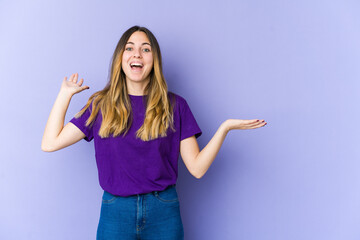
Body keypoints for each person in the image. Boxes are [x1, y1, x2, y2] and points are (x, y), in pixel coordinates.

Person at [41, 25, 267, 240]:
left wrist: (224, 128)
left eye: (145, 49)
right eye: (129, 48)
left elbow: (197, 169)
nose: (137, 54)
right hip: (116, 211)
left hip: (163, 211)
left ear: (154, 60)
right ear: (121, 58)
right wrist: (64, 94)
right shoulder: (100, 105)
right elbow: (50, 143)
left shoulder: (176, 106)